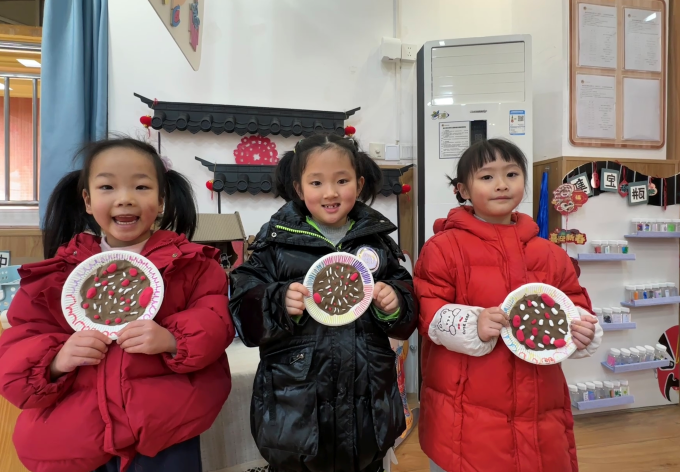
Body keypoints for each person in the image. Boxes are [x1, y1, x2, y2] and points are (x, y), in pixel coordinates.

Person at [0, 138, 234, 472]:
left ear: (161, 199)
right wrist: (57, 360)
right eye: (107, 187)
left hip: (164, 431)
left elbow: (215, 319)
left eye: (141, 186)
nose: (125, 198)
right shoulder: (57, 275)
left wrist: (172, 339)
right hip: (77, 436)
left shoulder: (192, 264)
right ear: (87, 200)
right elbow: (20, 343)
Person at [229, 133, 417, 472]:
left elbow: (407, 310)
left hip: (368, 414)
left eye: (342, 181)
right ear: (299, 189)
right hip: (295, 412)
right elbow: (244, 311)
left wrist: (395, 302)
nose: (330, 193)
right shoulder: (275, 244)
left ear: (359, 184)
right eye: (317, 182)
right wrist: (276, 301)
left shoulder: (377, 242)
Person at [414, 138, 602, 472]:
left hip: (541, 408)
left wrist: (581, 328)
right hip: (464, 415)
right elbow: (428, 310)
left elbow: (573, 301)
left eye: (512, 174)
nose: (501, 184)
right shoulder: (443, 248)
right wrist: (471, 325)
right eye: (487, 177)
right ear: (463, 190)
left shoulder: (549, 253)